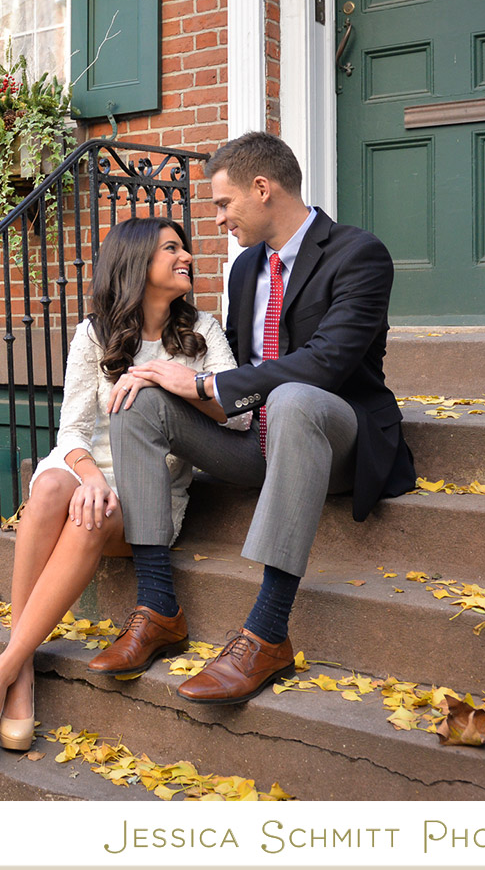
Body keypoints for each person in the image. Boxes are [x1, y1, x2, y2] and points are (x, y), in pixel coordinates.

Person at [96, 131, 416, 704]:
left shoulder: (358, 254)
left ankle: (267, 631)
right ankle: (157, 607)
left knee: (293, 396)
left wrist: (201, 383)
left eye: (223, 204)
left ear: (262, 188)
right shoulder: (245, 269)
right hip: (254, 442)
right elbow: (238, 363)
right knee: (138, 397)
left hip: (337, 437)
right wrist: (166, 379)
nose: (217, 220)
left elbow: (327, 362)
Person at [0, 215, 247, 761]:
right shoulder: (94, 335)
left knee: (88, 515)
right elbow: (71, 429)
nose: (186, 256)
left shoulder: (203, 333)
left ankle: (1, 672)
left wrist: (167, 378)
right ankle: (19, 674)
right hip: (87, 470)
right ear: (136, 262)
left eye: (185, 248)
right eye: (171, 248)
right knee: (48, 492)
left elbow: (238, 421)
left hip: (148, 493)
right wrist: (89, 476)